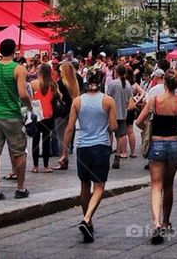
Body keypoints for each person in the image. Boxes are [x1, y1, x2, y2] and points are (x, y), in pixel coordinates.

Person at [63, 65, 118, 243]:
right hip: (101, 146)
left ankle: (89, 220)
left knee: (84, 185)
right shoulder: (108, 101)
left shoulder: (77, 101)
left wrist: (64, 152)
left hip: (82, 147)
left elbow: (70, 128)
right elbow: (114, 127)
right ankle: (87, 219)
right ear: (102, 81)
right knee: (99, 186)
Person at [135, 69, 177, 242]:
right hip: (174, 143)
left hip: (157, 142)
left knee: (156, 185)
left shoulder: (154, 101)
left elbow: (138, 121)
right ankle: (166, 221)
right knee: (169, 184)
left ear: (164, 83)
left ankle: (156, 223)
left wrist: (148, 128)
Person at [0, 38, 32, 201]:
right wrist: (30, 107)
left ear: (0, 50)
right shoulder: (19, 69)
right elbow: (23, 94)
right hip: (12, 115)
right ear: (14, 51)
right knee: (18, 152)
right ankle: (20, 187)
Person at [29, 62, 59, 173]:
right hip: (49, 115)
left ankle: (35, 166)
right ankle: (46, 166)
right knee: (46, 140)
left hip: (37, 115)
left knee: (35, 141)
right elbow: (58, 98)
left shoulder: (33, 84)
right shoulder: (53, 84)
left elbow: (30, 99)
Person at [105, 64, 135, 168]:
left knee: (108, 134)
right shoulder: (127, 84)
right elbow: (129, 100)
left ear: (116, 72)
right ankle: (118, 155)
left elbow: (107, 98)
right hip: (123, 113)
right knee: (120, 136)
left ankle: (106, 153)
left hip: (111, 113)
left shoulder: (112, 84)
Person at [53, 60, 81, 171]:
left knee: (61, 137)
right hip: (72, 110)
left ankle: (62, 159)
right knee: (68, 136)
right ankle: (65, 157)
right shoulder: (76, 80)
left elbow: (59, 97)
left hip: (61, 112)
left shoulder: (60, 83)